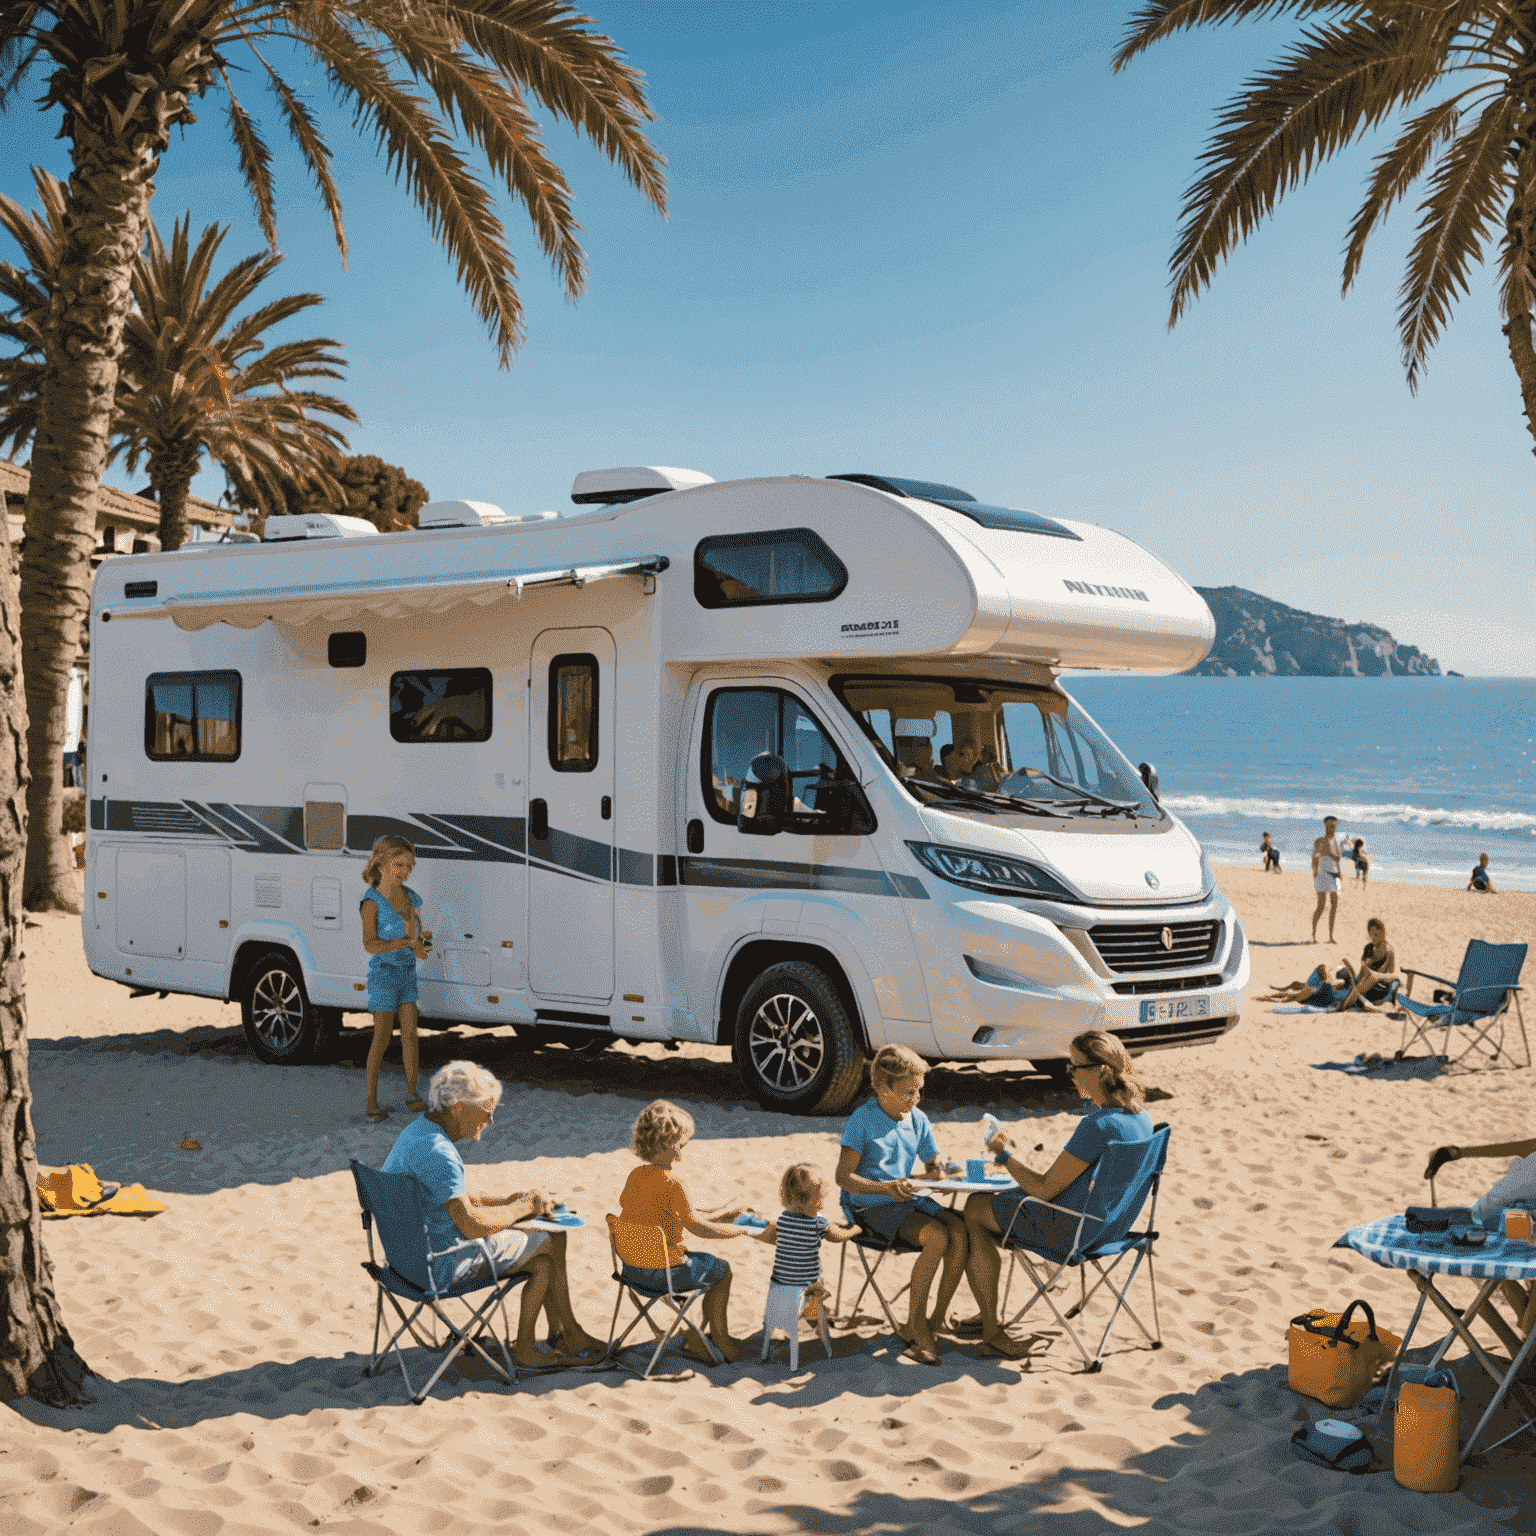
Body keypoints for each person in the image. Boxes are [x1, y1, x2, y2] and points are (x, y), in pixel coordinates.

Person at [380, 1060, 603, 1369]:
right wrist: (525, 1208)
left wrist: (509, 1200)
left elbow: (454, 1198)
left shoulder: (418, 1132)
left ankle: (562, 1334)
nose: (491, 1118)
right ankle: (544, 1342)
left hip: (404, 1261)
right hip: (437, 1267)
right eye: (486, 1109)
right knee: (550, 1242)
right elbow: (471, 1226)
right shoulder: (438, 1152)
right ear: (458, 1107)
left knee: (542, 1248)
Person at [961, 1030, 1152, 1359]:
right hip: (1113, 1229)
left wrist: (1004, 1156)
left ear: (1100, 1071)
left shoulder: (1097, 1126)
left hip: (1073, 1234)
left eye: (1075, 1066)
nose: (1071, 1073)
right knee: (1003, 1203)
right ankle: (986, 1312)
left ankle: (991, 1327)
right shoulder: (1141, 1119)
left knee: (975, 1207)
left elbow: (1045, 1189)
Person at [836, 1043, 969, 1365]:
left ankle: (935, 1317)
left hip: (907, 1200)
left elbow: (931, 1157)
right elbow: (843, 1177)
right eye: (909, 1092)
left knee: (963, 1229)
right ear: (883, 1087)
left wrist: (940, 1166)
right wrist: (887, 1187)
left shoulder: (917, 1118)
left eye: (919, 1091)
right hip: (870, 1208)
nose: (916, 1099)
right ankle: (916, 1326)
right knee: (937, 1236)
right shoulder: (863, 1120)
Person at [618, 1099, 767, 1364]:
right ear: (665, 1144)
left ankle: (699, 1334)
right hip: (664, 1275)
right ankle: (719, 1338)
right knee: (721, 1271)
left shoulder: (635, 1177)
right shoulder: (674, 1184)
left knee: (708, 1266)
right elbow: (697, 1227)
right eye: (679, 1147)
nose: (680, 1155)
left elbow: (675, 1216)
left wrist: (723, 1213)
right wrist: (738, 1230)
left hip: (632, 1270)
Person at [360, 835, 432, 1123]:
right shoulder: (371, 902)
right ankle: (371, 1101)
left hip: (406, 973)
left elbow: (417, 935)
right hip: (384, 975)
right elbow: (370, 945)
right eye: (399, 864)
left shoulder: (411, 897)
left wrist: (421, 947)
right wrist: (402, 945)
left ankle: (413, 1094)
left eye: (410, 866)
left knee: (411, 1035)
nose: (405, 871)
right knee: (382, 1036)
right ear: (382, 863)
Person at [769, 1163, 858, 1318]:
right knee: (818, 1289)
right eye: (821, 1198)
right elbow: (836, 1236)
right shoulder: (817, 1222)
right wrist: (854, 1230)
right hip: (807, 1276)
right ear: (814, 1200)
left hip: (783, 1275)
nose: (822, 1205)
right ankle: (814, 1311)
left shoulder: (783, 1220)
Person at [1332, 917, 1396, 1012]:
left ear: (1383, 933)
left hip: (1379, 987)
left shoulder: (1388, 950)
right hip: (1363, 985)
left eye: (1378, 934)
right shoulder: (1368, 948)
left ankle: (1344, 1005)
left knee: (1370, 978)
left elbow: (1387, 974)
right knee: (1339, 981)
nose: (1375, 937)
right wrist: (1355, 980)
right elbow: (1362, 972)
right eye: (1372, 934)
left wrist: (1367, 975)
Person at [1311, 815, 1343, 943]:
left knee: (1334, 905)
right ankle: (1313, 933)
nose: (1332, 828)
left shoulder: (1336, 841)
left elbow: (1338, 858)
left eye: (1334, 825)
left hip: (1334, 875)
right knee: (1321, 905)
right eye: (1330, 825)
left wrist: (1340, 872)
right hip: (1322, 874)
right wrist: (1315, 871)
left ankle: (1330, 936)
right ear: (1325, 825)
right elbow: (1314, 857)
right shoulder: (1319, 841)